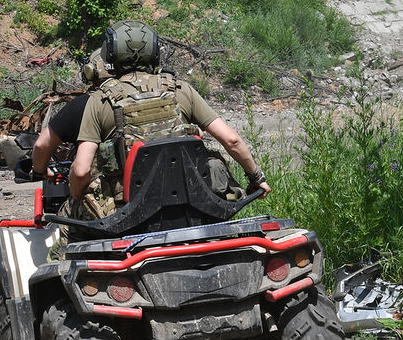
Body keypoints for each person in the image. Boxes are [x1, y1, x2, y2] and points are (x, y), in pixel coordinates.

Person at [68, 20, 270, 219]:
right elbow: (231, 140)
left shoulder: (99, 100)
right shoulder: (180, 89)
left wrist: (78, 196)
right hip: (194, 202)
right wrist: (256, 177)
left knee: (68, 220)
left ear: (110, 53)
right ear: (155, 51)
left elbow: (81, 171)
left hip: (130, 212)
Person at [28, 48, 108, 180]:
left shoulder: (84, 104)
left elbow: (42, 145)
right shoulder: (150, 96)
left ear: (90, 71)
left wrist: (40, 172)